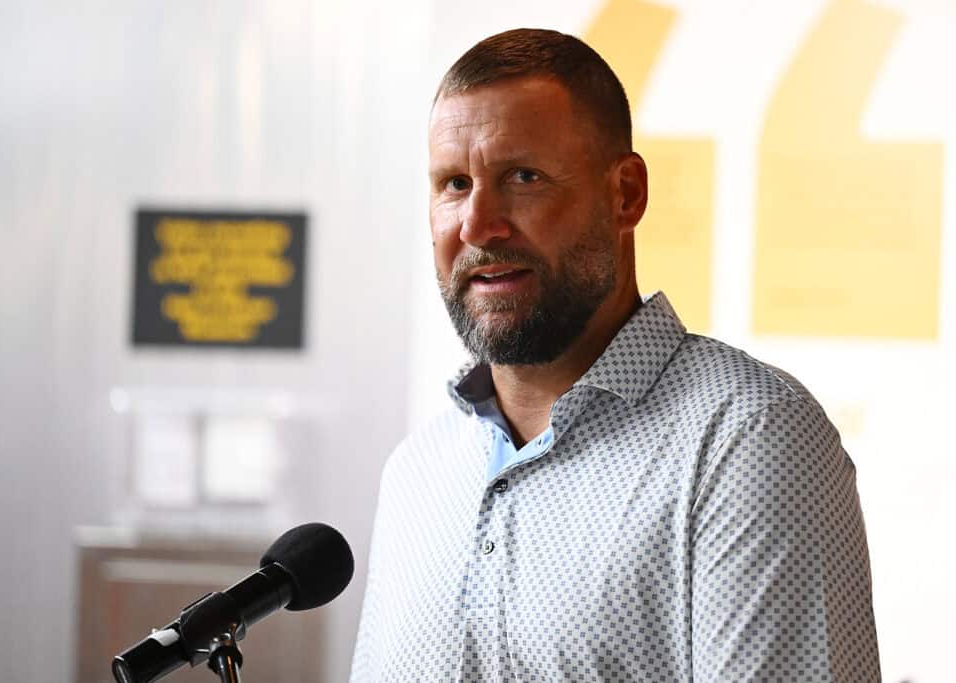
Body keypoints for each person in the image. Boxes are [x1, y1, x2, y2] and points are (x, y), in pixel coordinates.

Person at [351, 28, 880, 681]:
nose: (477, 224)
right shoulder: (417, 473)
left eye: (522, 177)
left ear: (625, 194)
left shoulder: (747, 437)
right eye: (454, 184)